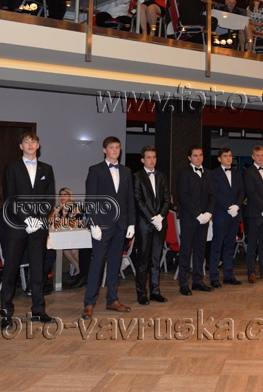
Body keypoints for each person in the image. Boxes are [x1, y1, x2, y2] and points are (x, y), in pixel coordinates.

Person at [0, 132, 55, 329]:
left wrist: (38, 220)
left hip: (39, 227)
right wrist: (27, 219)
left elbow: (49, 198)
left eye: (33, 141)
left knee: (38, 270)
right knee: (10, 271)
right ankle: (6, 313)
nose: (30, 144)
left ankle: (38, 310)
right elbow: (10, 198)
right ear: (20, 146)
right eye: (26, 141)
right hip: (17, 225)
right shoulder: (11, 168)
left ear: (38, 145)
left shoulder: (47, 169)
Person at [81, 137, 136, 320]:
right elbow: (90, 199)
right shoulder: (95, 170)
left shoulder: (126, 171)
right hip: (102, 225)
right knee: (97, 263)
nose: (115, 150)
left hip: (121, 225)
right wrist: (93, 223)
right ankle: (89, 303)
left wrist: (131, 223)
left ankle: (112, 300)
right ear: (104, 150)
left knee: (115, 263)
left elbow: (129, 199)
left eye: (117, 147)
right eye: (111, 147)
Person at [133, 146, 170, 304]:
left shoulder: (162, 175)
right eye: (148, 157)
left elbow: (167, 198)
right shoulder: (137, 176)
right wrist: (152, 218)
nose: (152, 160)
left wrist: (160, 217)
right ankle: (142, 293)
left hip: (160, 223)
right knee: (143, 261)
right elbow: (138, 200)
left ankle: (155, 291)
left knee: (156, 259)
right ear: (142, 160)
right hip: (144, 224)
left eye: (154, 157)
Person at [176, 145, 214, 295]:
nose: (199, 158)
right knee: (186, 251)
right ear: (189, 158)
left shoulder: (208, 173)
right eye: (195, 155)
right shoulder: (184, 172)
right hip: (189, 218)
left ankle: (198, 281)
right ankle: (183, 283)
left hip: (204, 219)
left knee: (200, 250)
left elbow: (212, 195)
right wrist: (198, 214)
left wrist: (208, 213)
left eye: (201, 155)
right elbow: (183, 196)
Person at [209, 147, 244, 286]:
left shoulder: (237, 173)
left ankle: (228, 275)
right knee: (217, 246)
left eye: (230, 155)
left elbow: (242, 191)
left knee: (230, 246)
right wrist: (228, 207)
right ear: (219, 159)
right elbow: (215, 194)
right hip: (221, 214)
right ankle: (214, 277)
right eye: (225, 156)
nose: (228, 158)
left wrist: (237, 206)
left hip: (235, 214)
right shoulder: (213, 174)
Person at [242, 145, 263, 283]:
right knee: (252, 244)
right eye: (258, 155)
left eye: (262, 155)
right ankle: (251, 271)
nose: (261, 157)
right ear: (253, 157)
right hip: (255, 213)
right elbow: (251, 193)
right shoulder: (248, 172)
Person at [50, 188, 82, 277]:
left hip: (78, 235)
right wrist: (58, 210)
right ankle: (79, 270)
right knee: (66, 251)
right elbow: (51, 221)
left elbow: (77, 221)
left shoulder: (75, 207)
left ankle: (86, 269)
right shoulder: (59, 208)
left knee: (74, 251)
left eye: (65, 195)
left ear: (69, 196)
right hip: (66, 236)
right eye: (61, 195)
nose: (62, 197)